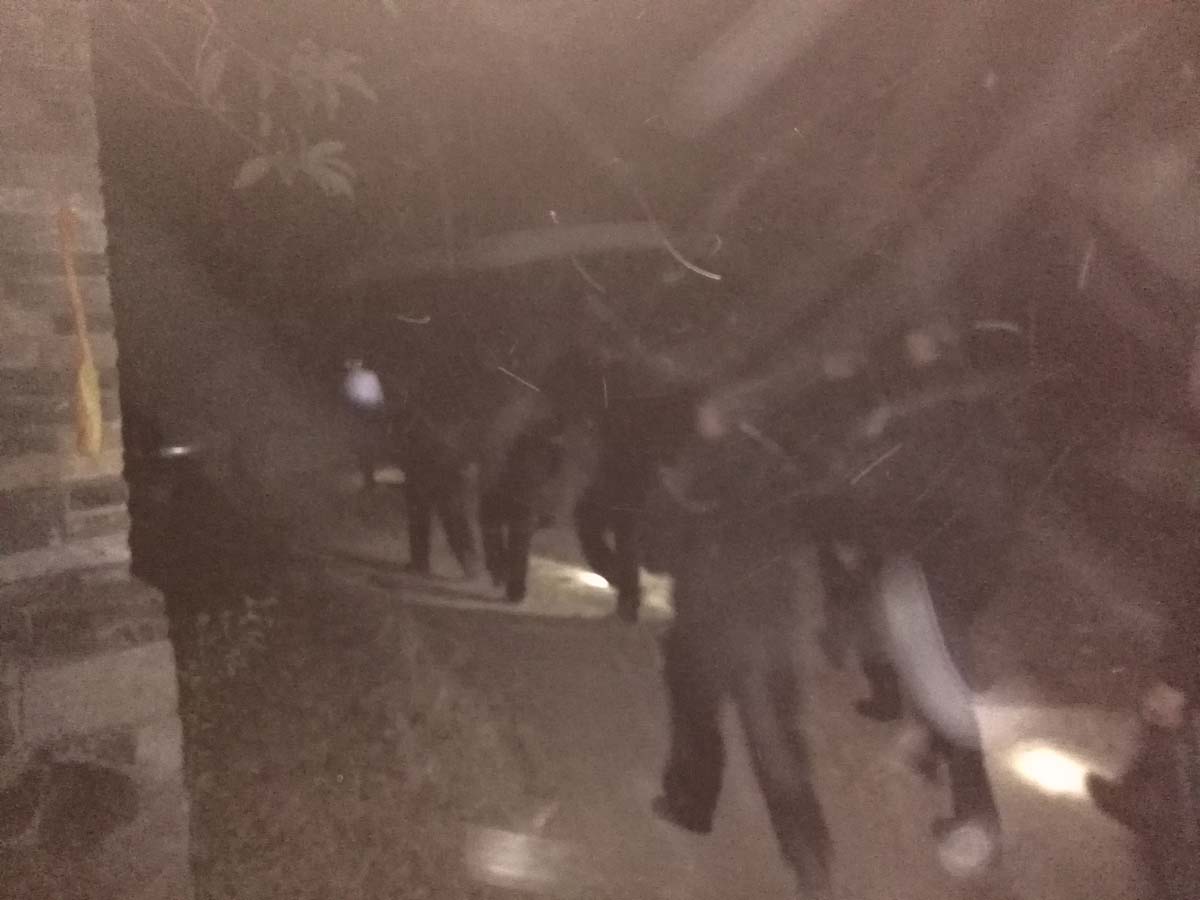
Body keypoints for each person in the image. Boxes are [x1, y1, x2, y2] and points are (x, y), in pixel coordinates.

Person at [645, 415, 833, 899]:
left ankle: (691, 805)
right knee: (778, 750)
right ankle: (809, 859)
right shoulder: (779, 468)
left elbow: (657, 555)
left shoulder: (692, 470)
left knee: (695, 722)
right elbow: (806, 537)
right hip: (769, 630)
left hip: (707, 624)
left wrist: (668, 496)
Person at [479, 414, 565, 603]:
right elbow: (553, 478)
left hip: (508, 492)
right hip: (524, 497)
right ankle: (514, 588)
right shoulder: (552, 449)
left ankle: (501, 571)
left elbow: (500, 460)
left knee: (496, 531)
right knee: (518, 543)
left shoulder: (519, 438)